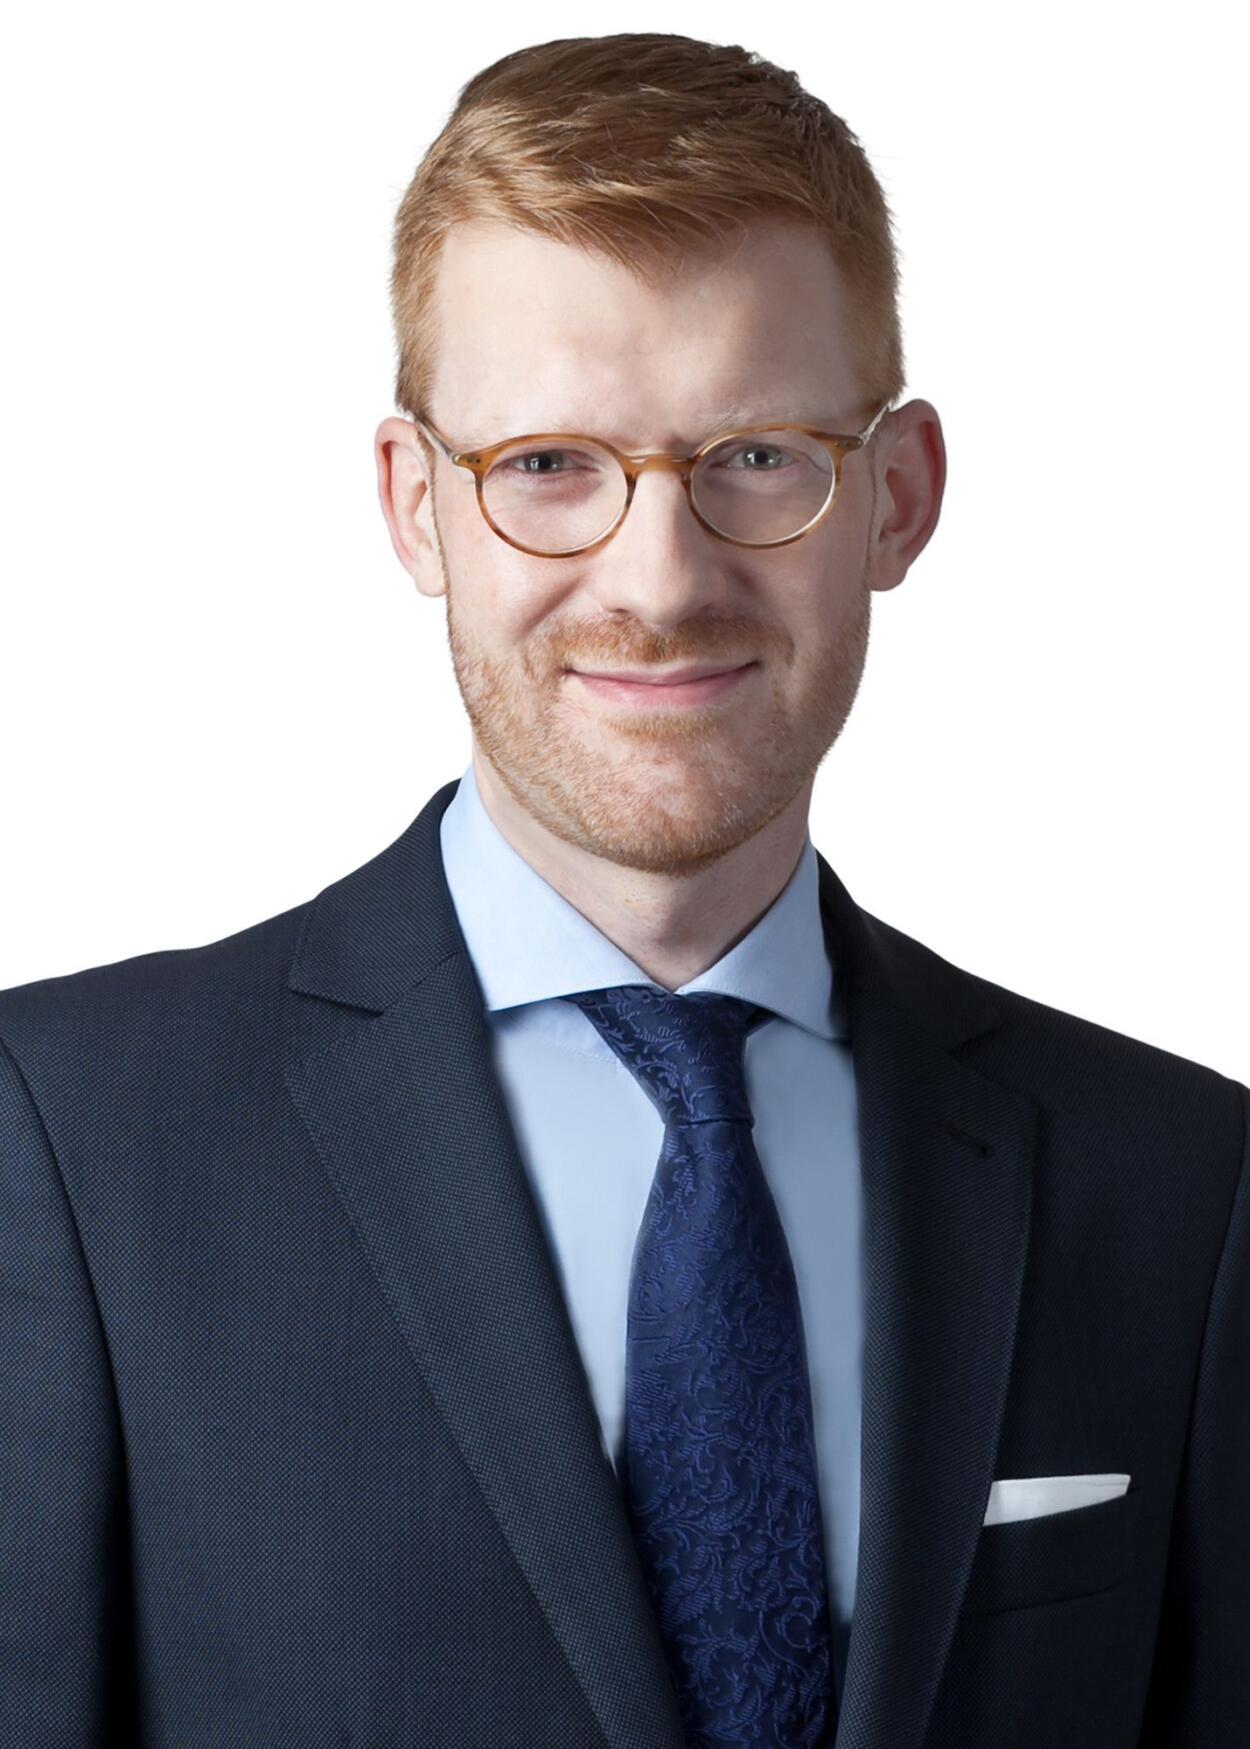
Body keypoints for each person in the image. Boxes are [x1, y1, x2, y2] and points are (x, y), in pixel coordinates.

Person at [0, 29, 1245, 1749]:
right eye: (546, 465)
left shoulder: (1183, 1185)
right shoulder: (64, 1138)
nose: (656, 582)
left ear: (895, 497)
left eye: (757, 456)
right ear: (414, 505)